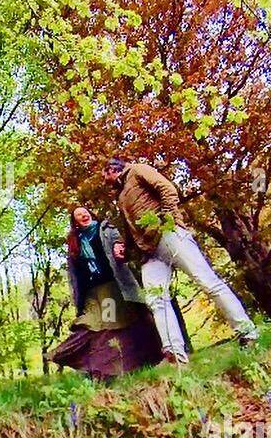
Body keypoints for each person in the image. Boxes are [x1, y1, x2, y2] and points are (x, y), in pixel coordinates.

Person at [103, 156, 258, 364]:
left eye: (104, 175)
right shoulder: (121, 195)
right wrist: (124, 247)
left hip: (169, 235)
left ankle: (247, 332)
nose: (104, 180)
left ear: (112, 170)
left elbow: (167, 189)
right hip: (149, 252)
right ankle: (174, 354)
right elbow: (132, 230)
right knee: (156, 300)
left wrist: (166, 220)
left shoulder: (138, 170)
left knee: (207, 282)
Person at [47, 207, 164, 378]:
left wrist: (119, 247)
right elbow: (74, 274)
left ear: (90, 214)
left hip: (111, 288)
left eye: (84, 212)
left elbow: (118, 243)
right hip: (91, 294)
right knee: (87, 324)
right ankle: (79, 360)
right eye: (78, 215)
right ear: (76, 222)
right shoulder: (75, 242)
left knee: (113, 327)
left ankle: (116, 368)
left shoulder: (106, 229)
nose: (83, 215)